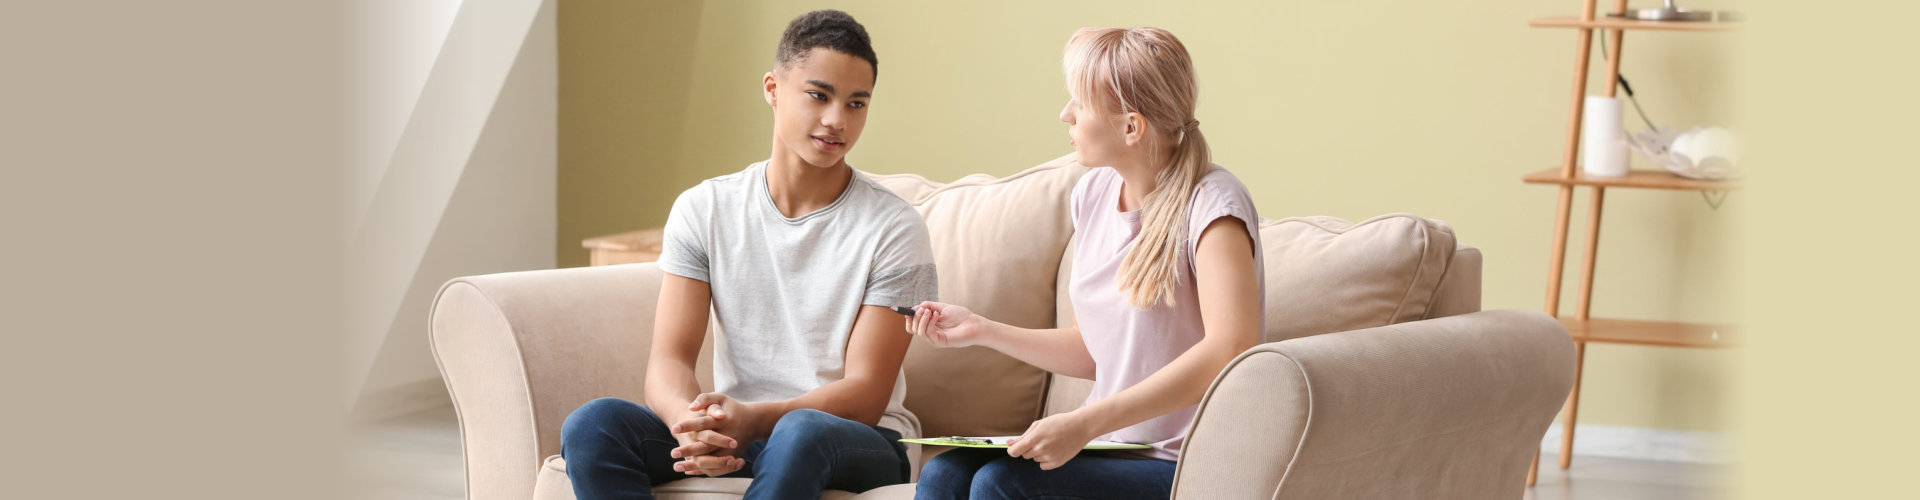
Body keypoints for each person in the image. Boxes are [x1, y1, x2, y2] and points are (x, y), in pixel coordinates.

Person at [558, 10, 935, 500]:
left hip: (857, 440)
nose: (837, 120)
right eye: (819, 95)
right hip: (744, 432)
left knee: (801, 429)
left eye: (856, 103)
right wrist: (689, 423)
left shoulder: (895, 228)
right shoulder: (705, 209)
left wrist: (754, 419)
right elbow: (669, 359)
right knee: (595, 425)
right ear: (773, 89)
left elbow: (866, 395)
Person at [908, 26, 1265, 500]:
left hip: (1190, 462)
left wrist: (1083, 422)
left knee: (1002, 483)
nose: (1065, 114)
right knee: (944, 474)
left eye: (1079, 103)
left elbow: (1230, 348)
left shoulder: (1214, 206)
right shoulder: (1093, 195)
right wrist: (983, 329)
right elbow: (1094, 349)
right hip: (1113, 449)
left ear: (1131, 126)